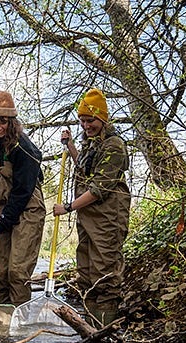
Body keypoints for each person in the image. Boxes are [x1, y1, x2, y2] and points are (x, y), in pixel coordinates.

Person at [53, 88, 131, 327]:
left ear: (103, 119)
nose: (86, 126)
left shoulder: (114, 145)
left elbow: (98, 188)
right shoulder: (91, 143)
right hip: (88, 219)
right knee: (86, 273)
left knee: (104, 275)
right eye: (83, 121)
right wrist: (71, 146)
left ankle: (105, 331)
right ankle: (90, 327)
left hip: (107, 219)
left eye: (91, 120)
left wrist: (68, 207)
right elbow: (84, 170)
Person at [0, 91, 45, 306]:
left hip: (26, 209)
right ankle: (2, 320)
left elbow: (22, 193)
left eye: (3, 122)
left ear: (12, 121)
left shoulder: (24, 148)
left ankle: (18, 324)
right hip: (4, 208)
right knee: (1, 270)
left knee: (17, 272)